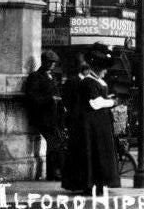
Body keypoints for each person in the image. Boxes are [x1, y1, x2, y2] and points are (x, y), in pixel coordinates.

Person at [62, 43, 120, 194]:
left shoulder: (96, 81)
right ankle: (90, 184)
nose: (105, 72)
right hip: (90, 125)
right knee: (91, 152)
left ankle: (99, 183)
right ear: (98, 68)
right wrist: (112, 102)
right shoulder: (88, 82)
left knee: (99, 153)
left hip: (99, 124)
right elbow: (94, 103)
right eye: (104, 69)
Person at [25, 49, 66, 181]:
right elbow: (32, 97)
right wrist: (50, 99)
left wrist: (60, 104)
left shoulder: (52, 77)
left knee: (56, 143)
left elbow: (57, 94)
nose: (53, 65)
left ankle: (54, 172)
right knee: (55, 143)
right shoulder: (35, 77)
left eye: (54, 63)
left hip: (54, 117)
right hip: (43, 118)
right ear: (44, 62)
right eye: (50, 62)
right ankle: (55, 173)